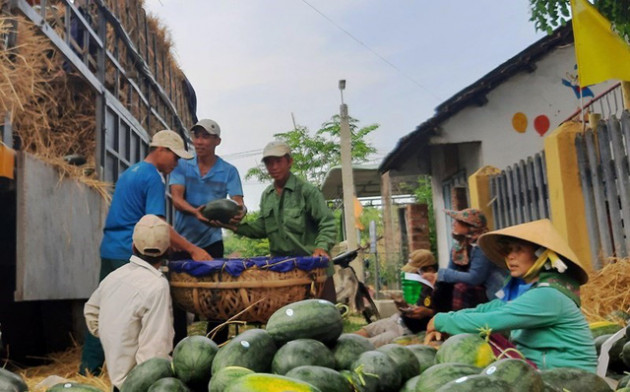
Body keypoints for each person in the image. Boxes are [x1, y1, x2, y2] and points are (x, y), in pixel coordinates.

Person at [79, 129, 211, 375]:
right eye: (175, 156)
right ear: (161, 150)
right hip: (128, 253)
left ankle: (89, 370)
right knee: (140, 316)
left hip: (110, 248)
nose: (176, 163)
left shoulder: (132, 171)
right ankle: (140, 373)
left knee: (105, 309)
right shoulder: (153, 177)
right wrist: (193, 249)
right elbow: (157, 226)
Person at [425, 219, 597, 372]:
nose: (510, 257)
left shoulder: (549, 296)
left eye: (519, 250)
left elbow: (492, 320)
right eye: (508, 251)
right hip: (539, 374)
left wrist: (442, 321)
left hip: (568, 380)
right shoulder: (530, 292)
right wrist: (447, 318)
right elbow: (487, 309)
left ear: (542, 255)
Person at [225, 140, 338, 301]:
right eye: (269, 163)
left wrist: (322, 247)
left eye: (278, 161)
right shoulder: (267, 195)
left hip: (314, 270)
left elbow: (327, 222)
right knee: (287, 321)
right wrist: (234, 226)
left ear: (289, 162)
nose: (274, 167)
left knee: (324, 320)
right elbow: (262, 227)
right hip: (284, 272)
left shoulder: (307, 191)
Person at [168, 119, 245, 343]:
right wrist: (196, 212)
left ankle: (216, 343)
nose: (199, 142)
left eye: (205, 137)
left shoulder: (228, 171)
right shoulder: (183, 165)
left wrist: (240, 212)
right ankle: (179, 345)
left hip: (212, 242)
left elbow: (238, 202)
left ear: (217, 141)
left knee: (215, 295)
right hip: (182, 242)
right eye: (196, 136)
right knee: (178, 297)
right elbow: (177, 199)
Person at [84, 215, 175, 391]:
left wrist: (113, 337)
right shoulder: (158, 285)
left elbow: (91, 312)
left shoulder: (115, 276)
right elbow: (155, 350)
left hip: (116, 381)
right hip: (138, 385)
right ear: (169, 251)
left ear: (133, 247)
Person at [422, 208, 506, 311]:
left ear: (471, 226)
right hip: (474, 291)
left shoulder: (483, 245)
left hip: (494, 292)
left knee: (460, 289)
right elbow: (451, 272)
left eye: (458, 221)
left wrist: (443, 274)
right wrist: (435, 277)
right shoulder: (458, 247)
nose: (454, 224)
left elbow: (475, 277)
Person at [355, 249, 437, 347]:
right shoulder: (422, 286)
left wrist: (428, 312)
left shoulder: (442, 289)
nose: (411, 277)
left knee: (365, 345)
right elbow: (417, 308)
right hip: (396, 320)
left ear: (430, 270)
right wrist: (404, 306)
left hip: (405, 332)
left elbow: (447, 315)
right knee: (360, 334)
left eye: (415, 273)